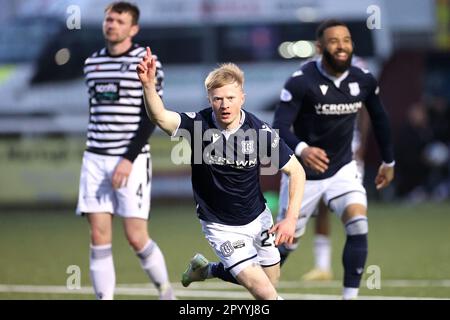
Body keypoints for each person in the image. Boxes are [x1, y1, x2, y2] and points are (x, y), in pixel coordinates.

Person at [137, 49, 306, 300]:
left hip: (257, 217)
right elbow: (160, 117)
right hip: (219, 224)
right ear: (209, 99)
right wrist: (149, 86)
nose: (224, 104)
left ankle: (207, 269)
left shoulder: (259, 131)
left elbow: (297, 171)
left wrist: (291, 218)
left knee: (271, 279)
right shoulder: (198, 125)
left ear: (242, 98)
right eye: (217, 99)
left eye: (230, 97)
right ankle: (222, 267)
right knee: (266, 294)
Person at [272, 19, 395, 299]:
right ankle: (246, 279)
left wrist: (389, 162)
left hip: (343, 168)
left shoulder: (363, 79)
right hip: (303, 175)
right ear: (320, 47)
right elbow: (278, 127)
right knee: (284, 246)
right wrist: (303, 149)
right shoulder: (301, 81)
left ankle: (349, 298)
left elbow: (380, 118)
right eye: (334, 41)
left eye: (347, 40)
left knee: (358, 223)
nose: (342, 46)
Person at [76, 2, 175, 300]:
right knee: (98, 236)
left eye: (119, 21)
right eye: (109, 19)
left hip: (130, 159)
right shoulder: (91, 63)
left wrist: (127, 159)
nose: (112, 24)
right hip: (94, 157)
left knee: (135, 237)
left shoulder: (146, 61)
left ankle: (165, 291)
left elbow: (152, 116)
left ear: (133, 29)